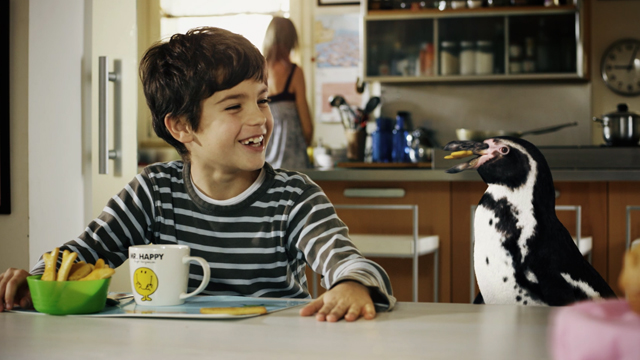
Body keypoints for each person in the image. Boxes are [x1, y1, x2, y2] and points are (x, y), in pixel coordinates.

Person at [0, 27, 395, 322]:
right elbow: (80, 257)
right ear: (182, 128)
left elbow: (347, 261)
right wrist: (33, 283)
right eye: (234, 106)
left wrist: (351, 284)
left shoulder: (294, 197)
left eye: (262, 99)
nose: (259, 118)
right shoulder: (152, 193)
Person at [263, 17, 313, 170]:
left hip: (263, 166)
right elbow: (307, 129)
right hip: (293, 166)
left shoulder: (258, 72)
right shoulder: (294, 72)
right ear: (291, 41)